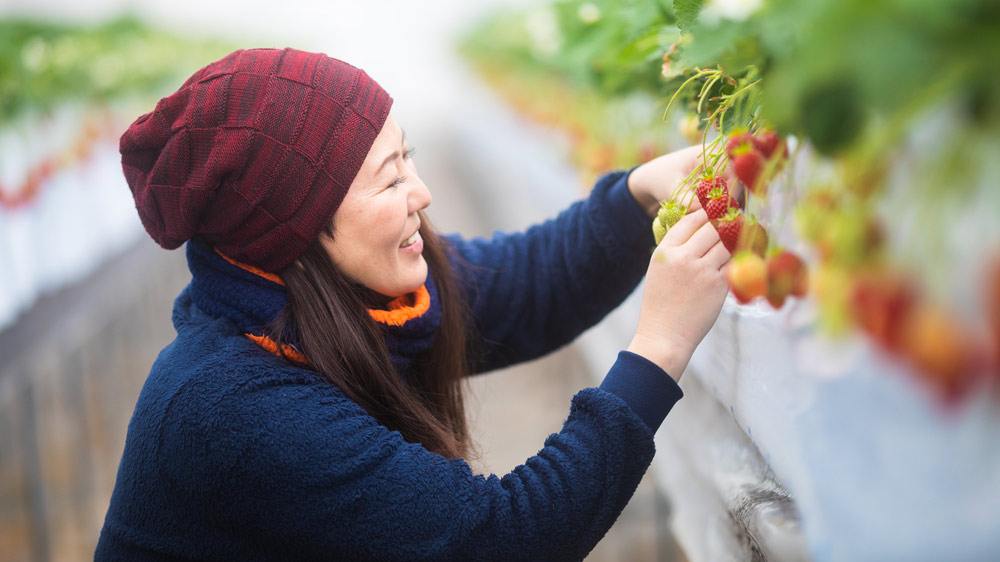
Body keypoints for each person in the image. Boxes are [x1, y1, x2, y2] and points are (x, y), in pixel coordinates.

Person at [95, 47, 731, 561]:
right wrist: (660, 347)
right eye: (390, 178)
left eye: (409, 160)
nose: (421, 193)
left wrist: (640, 194)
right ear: (298, 226)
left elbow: (525, 284)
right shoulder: (236, 408)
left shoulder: (343, 302)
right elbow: (502, 539)